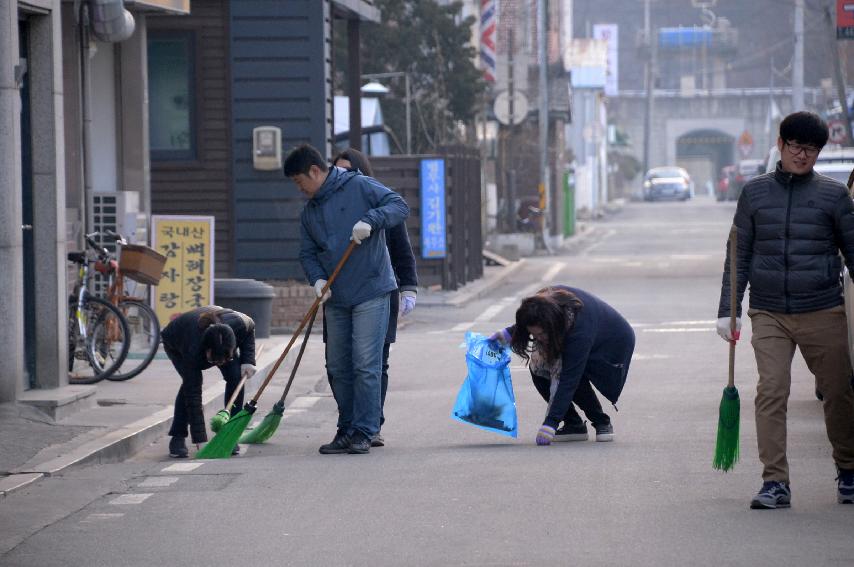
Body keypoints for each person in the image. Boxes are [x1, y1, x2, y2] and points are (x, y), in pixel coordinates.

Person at [717, 110, 854, 510]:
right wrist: (729, 308)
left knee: (839, 392)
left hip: (823, 309)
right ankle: (775, 481)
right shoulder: (755, 193)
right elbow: (737, 253)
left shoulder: (833, 196)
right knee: (771, 391)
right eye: (797, 147)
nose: (803, 156)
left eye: (811, 149)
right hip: (770, 311)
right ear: (781, 145)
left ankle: (848, 469)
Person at [285, 143, 409, 455]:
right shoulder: (310, 212)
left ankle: (365, 431)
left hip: (372, 289)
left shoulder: (359, 185)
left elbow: (399, 205)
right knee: (337, 365)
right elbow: (307, 252)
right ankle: (347, 427)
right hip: (337, 296)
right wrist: (317, 279)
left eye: (300, 181)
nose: (300, 189)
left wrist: (372, 219)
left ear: (315, 171)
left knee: (366, 363)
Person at [327, 148, 418, 447]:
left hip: (380, 289)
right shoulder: (328, 205)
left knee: (376, 360)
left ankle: (371, 424)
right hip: (340, 292)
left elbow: (402, 250)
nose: (342, 176)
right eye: (337, 170)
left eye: (348, 170)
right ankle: (352, 423)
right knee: (342, 362)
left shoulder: (377, 204)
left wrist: (409, 287)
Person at [491, 286, 635, 445]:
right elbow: (532, 321)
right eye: (534, 334)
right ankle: (573, 424)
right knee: (539, 367)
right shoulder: (545, 302)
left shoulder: (579, 329)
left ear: (552, 326)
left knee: (572, 374)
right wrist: (509, 333)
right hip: (578, 332)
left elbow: (569, 379)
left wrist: (551, 422)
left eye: (541, 334)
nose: (538, 338)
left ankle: (601, 422)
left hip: (612, 342)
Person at [161, 306, 256, 458]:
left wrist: (248, 360)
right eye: (215, 360)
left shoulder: (238, 325)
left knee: (235, 377)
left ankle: (230, 433)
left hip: (220, 342)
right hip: (175, 341)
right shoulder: (192, 348)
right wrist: (201, 440)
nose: (220, 364)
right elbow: (194, 395)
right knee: (190, 386)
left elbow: (250, 327)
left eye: (225, 359)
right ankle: (178, 437)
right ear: (207, 351)